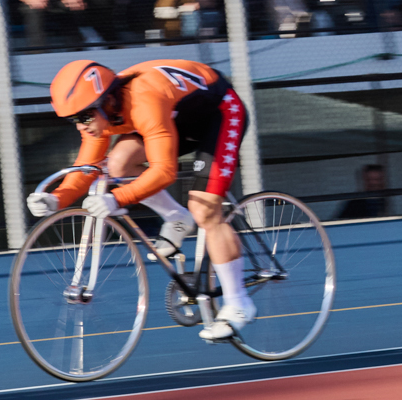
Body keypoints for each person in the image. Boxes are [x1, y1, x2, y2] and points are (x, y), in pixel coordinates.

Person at [29, 59, 255, 340]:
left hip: (219, 112)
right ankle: (176, 217)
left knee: (204, 209)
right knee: (118, 166)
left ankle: (238, 302)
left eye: (84, 117)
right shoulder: (102, 115)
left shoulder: (144, 100)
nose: (81, 127)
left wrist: (118, 198)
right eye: (74, 120)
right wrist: (56, 199)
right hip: (174, 117)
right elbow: (87, 169)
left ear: (108, 101)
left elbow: (164, 172)